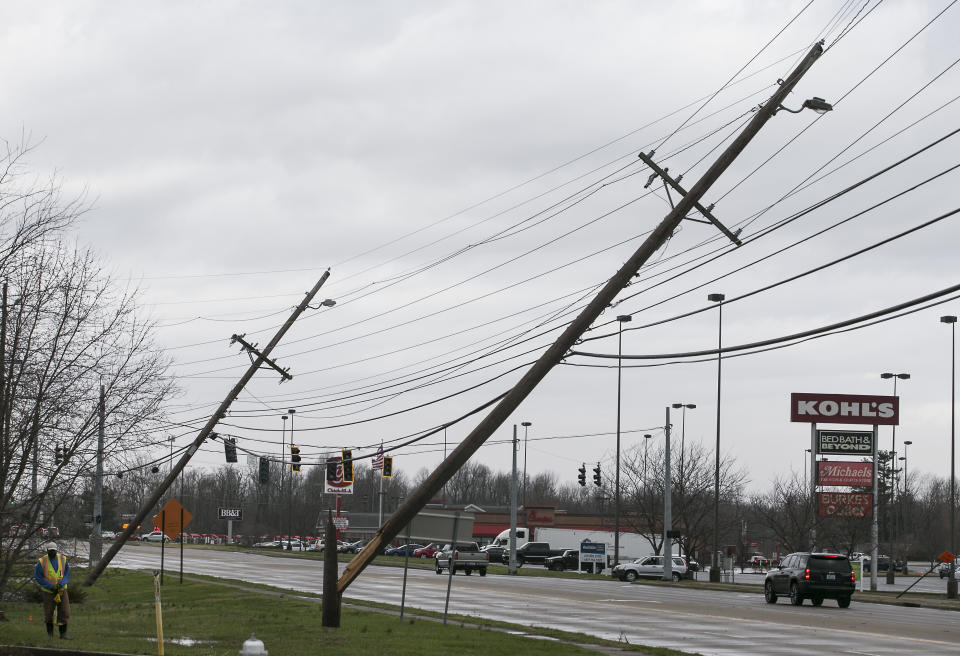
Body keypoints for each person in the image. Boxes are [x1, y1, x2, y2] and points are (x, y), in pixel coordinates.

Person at [33, 541, 71, 639]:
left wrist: (61, 584)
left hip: (62, 590)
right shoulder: (41, 561)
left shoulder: (63, 559)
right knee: (49, 613)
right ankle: (50, 636)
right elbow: (38, 577)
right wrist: (50, 586)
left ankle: (63, 635)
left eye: (53, 551)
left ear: (56, 550)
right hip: (49, 592)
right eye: (50, 551)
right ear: (47, 551)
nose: (52, 553)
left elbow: (67, 574)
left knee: (64, 612)